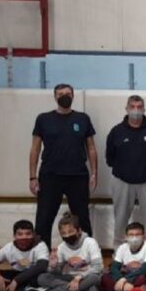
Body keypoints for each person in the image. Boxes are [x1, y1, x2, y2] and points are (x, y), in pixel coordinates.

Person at [29, 83, 97, 247]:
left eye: (67, 93)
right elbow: (35, 149)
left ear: (73, 96)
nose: (64, 96)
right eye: (60, 94)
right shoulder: (43, 119)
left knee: (82, 218)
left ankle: (86, 253)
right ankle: (42, 255)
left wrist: (94, 173)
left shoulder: (83, 118)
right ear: (55, 97)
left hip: (78, 176)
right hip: (50, 176)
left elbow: (91, 148)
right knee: (44, 218)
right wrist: (32, 177)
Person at [106, 95, 146, 246]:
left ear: (144, 109)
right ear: (126, 109)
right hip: (122, 181)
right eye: (132, 107)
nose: (136, 110)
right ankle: (119, 251)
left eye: (139, 107)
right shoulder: (116, 132)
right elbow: (110, 158)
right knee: (120, 219)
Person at [25, 213, 102, 291]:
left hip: (86, 277)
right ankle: (81, 290)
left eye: (70, 231)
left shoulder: (90, 242)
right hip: (69, 278)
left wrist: (79, 278)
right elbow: (56, 272)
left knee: (95, 278)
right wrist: (53, 266)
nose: (67, 235)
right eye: (63, 233)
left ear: (79, 231)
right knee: (42, 277)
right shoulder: (61, 247)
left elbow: (98, 267)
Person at [0, 220, 49, 291]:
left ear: (33, 234)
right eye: (20, 234)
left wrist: (17, 280)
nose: (24, 237)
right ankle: (21, 290)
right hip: (16, 275)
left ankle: (5, 289)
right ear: (14, 236)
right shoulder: (9, 248)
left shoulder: (40, 245)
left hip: (32, 276)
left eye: (28, 234)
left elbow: (42, 266)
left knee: (41, 278)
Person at [100, 222, 146, 291]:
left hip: (138, 275)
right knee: (104, 277)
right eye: (131, 235)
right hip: (125, 275)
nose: (134, 238)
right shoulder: (122, 247)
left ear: (143, 236)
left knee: (142, 278)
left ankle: (117, 288)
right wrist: (120, 279)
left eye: (137, 235)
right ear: (126, 237)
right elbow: (114, 267)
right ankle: (132, 290)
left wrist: (124, 280)